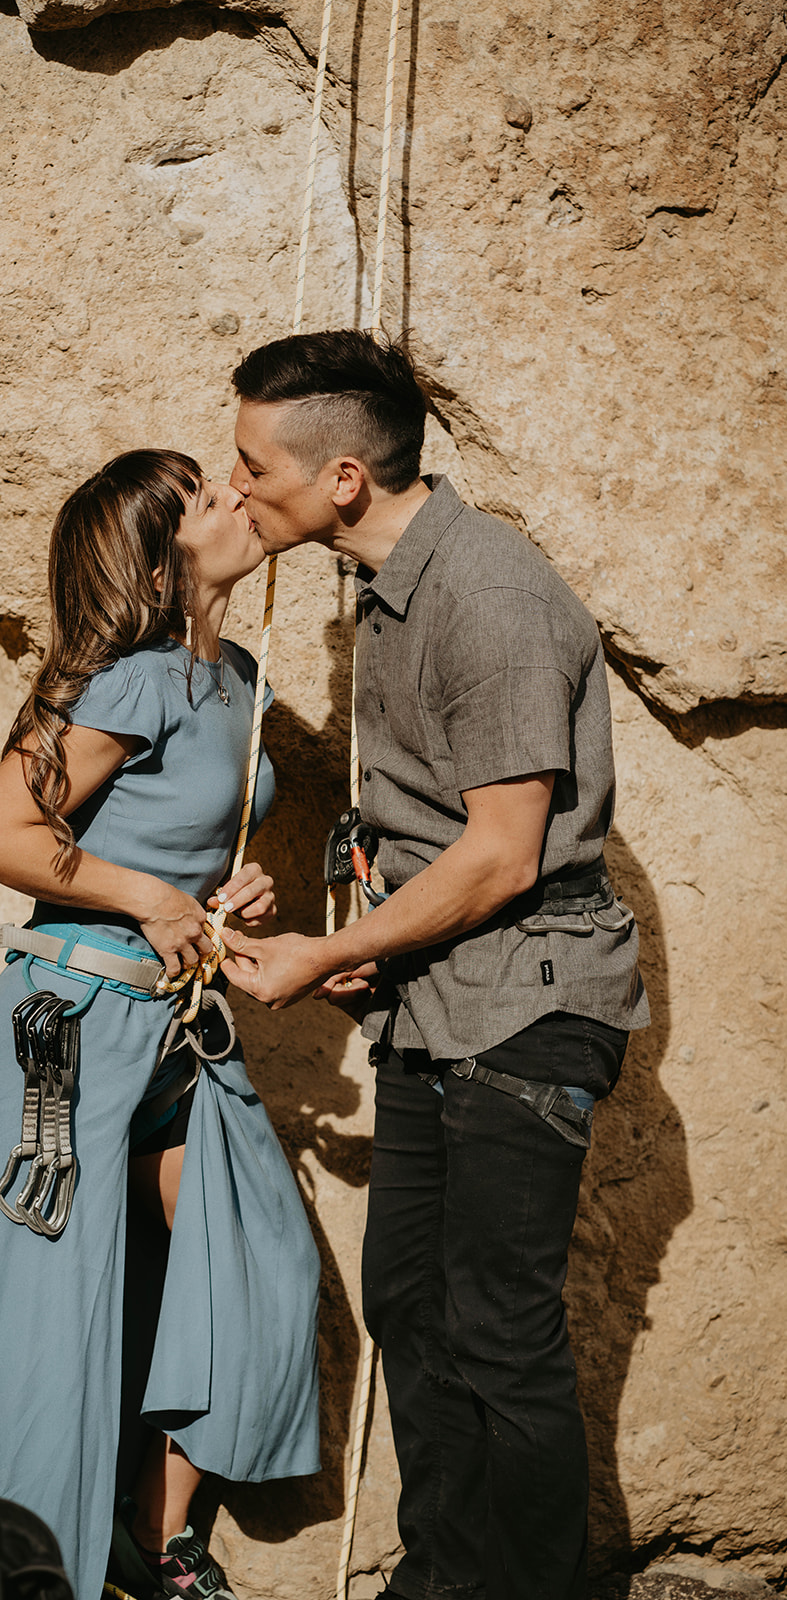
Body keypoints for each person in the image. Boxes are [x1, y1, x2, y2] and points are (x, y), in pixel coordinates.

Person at [219, 332, 649, 1600]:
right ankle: (445, 1580)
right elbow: (435, 840)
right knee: (411, 1301)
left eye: (252, 464)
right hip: (436, 1003)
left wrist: (328, 950)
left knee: (497, 1331)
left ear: (341, 477)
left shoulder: (488, 596)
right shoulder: (388, 590)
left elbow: (506, 855)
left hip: (529, 1003)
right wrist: (378, 944)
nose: (234, 484)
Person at [0, 450, 321, 1600]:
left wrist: (224, 891)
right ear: (162, 557)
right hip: (61, 1035)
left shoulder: (238, 675)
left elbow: (168, 835)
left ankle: (146, 1546)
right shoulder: (130, 680)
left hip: (174, 1028)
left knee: (252, 1259)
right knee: (26, 1324)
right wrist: (148, 896)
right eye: (200, 493)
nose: (231, 491)